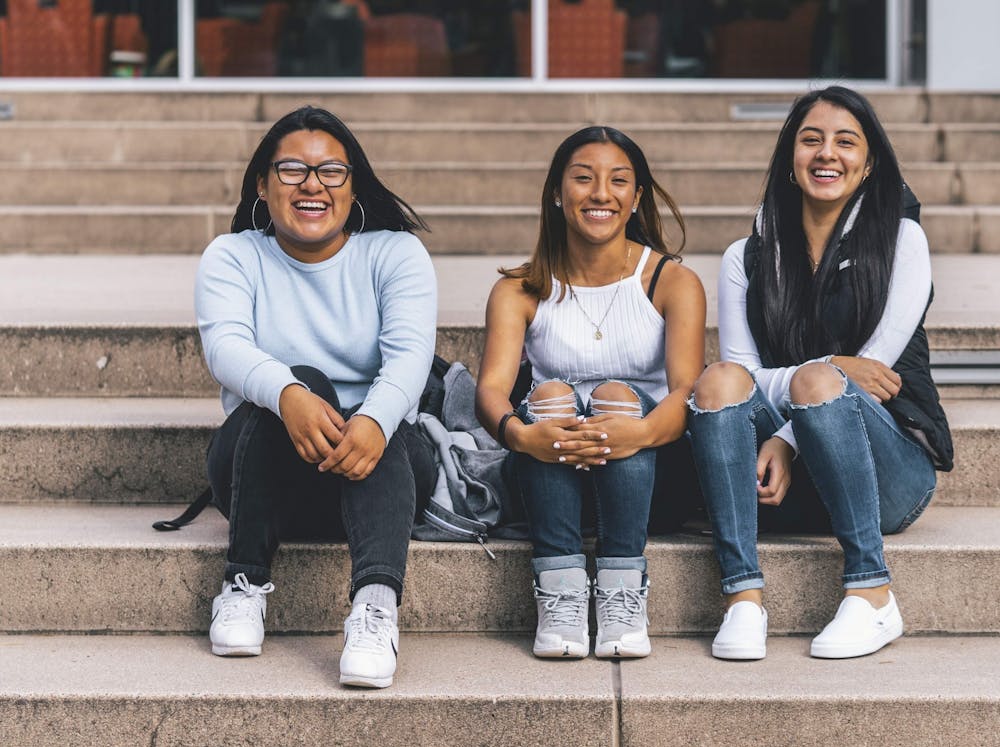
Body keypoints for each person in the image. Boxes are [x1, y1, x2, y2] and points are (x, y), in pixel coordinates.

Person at [687, 86, 953, 661]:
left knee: (817, 381)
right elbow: (745, 377)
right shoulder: (746, 257)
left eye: (845, 142)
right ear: (790, 158)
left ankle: (872, 591)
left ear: (869, 161)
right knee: (716, 382)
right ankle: (742, 596)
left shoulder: (903, 240)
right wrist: (828, 369)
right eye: (811, 140)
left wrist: (786, 435)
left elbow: (874, 376)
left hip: (889, 472)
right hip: (789, 488)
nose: (826, 153)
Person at [195, 105, 437, 688]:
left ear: (353, 185)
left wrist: (374, 422)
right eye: (292, 170)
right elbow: (225, 347)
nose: (312, 185)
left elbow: (409, 359)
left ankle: (376, 609)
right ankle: (243, 584)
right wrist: (288, 394)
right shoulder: (233, 256)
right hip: (265, 477)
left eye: (331, 171)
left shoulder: (394, 254)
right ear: (262, 182)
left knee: (374, 415)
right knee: (304, 378)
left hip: (382, 470)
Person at [475, 126, 706, 659]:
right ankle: (560, 594)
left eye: (618, 181)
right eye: (583, 178)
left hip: (644, 479)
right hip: (545, 475)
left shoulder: (672, 282)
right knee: (550, 393)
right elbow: (490, 389)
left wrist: (638, 432)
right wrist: (522, 435)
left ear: (636, 197)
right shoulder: (520, 288)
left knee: (618, 398)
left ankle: (624, 591)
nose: (601, 193)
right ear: (558, 192)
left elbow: (686, 393)